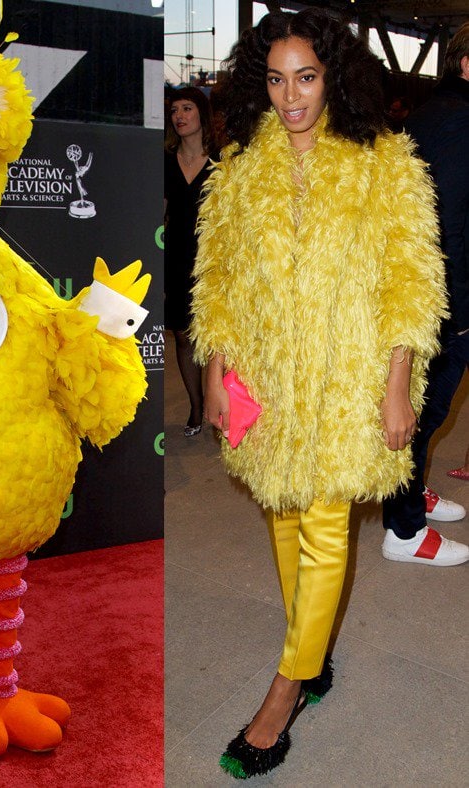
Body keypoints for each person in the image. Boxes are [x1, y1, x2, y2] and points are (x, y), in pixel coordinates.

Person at [190, 9, 447, 780]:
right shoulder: (238, 169)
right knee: (282, 513)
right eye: (275, 78)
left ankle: (286, 687)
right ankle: (313, 659)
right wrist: (212, 376)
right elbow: (219, 286)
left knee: (327, 527)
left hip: (350, 379)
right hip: (264, 377)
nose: (290, 95)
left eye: (305, 76)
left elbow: (413, 280)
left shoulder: (385, 161)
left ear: (332, 76)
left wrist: (398, 383)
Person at [381, 21, 469, 566]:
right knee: (421, 415)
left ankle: (409, 497)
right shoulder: (458, 121)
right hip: (443, 300)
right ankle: (404, 531)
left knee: (421, 414)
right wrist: (457, 313)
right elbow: (450, 227)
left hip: (431, 293)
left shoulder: (436, 112)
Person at [164, 87, 215, 436]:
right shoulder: (164, 160)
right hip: (176, 256)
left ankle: (216, 404)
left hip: (212, 259)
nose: (179, 116)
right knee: (183, 336)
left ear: (202, 115)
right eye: (174, 110)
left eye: (187, 108)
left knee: (214, 338)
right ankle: (196, 407)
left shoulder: (222, 161)